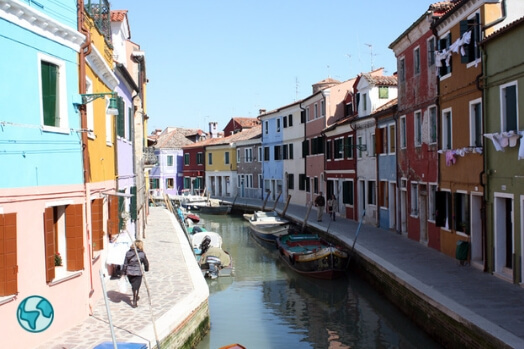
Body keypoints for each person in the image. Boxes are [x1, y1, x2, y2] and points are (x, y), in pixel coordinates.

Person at [122, 240, 149, 308]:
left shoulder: (128, 253)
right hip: (138, 272)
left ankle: (135, 295)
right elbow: (146, 263)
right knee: (137, 286)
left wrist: (124, 272)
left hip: (129, 272)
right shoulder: (142, 254)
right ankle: (135, 298)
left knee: (133, 286)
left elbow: (125, 264)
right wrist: (146, 269)